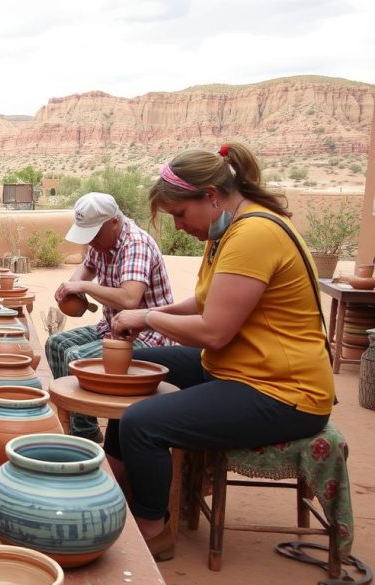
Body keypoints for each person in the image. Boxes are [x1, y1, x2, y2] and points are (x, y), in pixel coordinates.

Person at [107, 142, 334, 557]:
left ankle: (152, 527)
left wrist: (147, 318)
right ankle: (112, 492)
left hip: (285, 392)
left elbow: (214, 331)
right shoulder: (227, 229)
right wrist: (150, 312)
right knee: (127, 373)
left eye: (179, 213)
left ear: (211, 196)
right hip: (239, 368)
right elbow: (206, 301)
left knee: (142, 422)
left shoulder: (255, 234)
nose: (178, 225)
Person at [45, 192, 174, 442]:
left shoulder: (135, 244)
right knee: (57, 344)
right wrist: (70, 286)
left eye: (94, 234)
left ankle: (83, 437)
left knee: (76, 357)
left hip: (147, 335)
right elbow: (86, 268)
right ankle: (85, 426)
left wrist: (84, 288)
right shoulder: (103, 242)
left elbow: (129, 299)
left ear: (114, 222)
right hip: (113, 327)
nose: (91, 241)